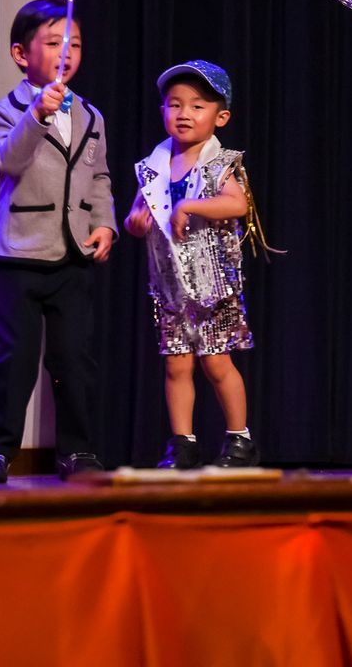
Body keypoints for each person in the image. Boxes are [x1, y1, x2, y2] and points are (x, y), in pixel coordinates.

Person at [0, 0, 117, 484]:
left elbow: (99, 179)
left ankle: (78, 450)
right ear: (20, 53)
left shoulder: (90, 115)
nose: (65, 53)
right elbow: (8, 161)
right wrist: (36, 114)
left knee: (75, 359)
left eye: (73, 44)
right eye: (53, 43)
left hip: (74, 255)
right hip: (18, 255)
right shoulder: (5, 111)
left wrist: (105, 224)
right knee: (13, 360)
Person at [124, 61, 267, 469]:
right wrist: (135, 224)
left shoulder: (218, 163)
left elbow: (236, 204)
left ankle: (240, 439)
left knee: (217, 362)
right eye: (174, 105)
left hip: (212, 284)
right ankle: (182, 442)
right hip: (170, 289)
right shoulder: (153, 167)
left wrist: (189, 204)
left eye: (197, 105)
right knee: (176, 365)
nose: (183, 113)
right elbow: (137, 215)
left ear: (220, 117)